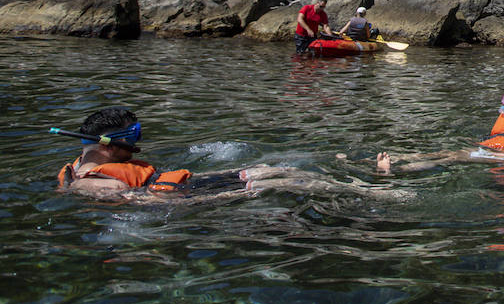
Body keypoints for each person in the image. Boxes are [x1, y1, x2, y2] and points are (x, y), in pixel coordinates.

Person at [57, 107, 404, 202]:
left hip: (188, 182)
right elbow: (151, 203)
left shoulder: (83, 165)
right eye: (132, 139)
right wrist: (230, 195)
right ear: (106, 144)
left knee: (272, 167)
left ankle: (366, 182)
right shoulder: (91, 183)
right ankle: (378, 191)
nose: (136, 146)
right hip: (187, 193)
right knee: (294, 182)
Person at [375, 85, 504, 173]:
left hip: (501, 158)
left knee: (453, 156)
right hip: (488, 151)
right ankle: (393, 159)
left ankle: (395, 171)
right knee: (444, 152)